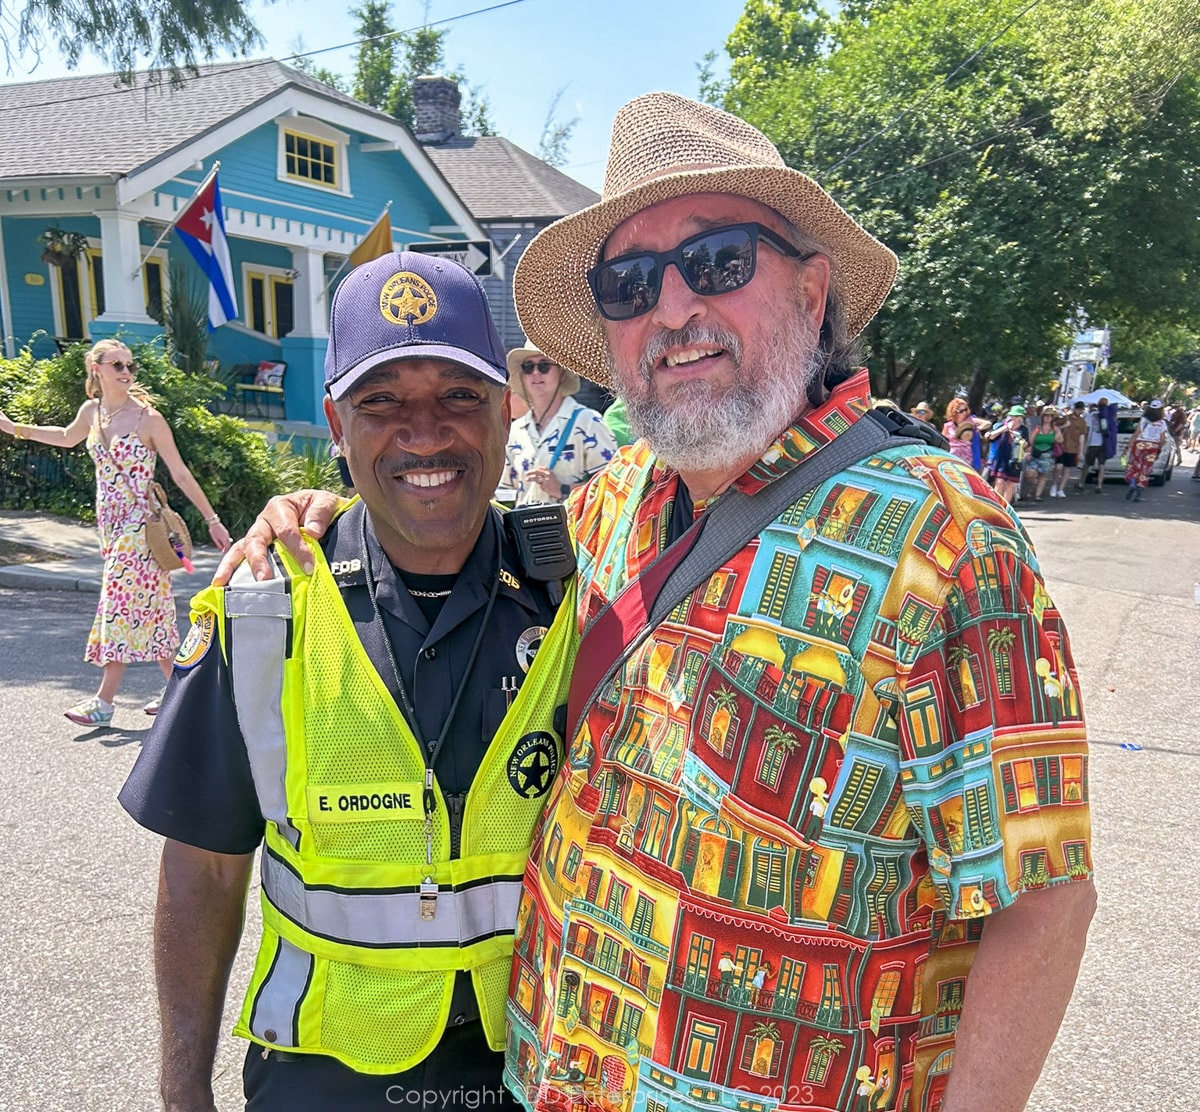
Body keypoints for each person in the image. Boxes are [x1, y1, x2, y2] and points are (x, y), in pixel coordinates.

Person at [226, 93, 1095, 1112]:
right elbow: (444, 518)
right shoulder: (612, 504)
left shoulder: (947, 536)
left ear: (813, 290)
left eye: (718, 259)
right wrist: (321, 517)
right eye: (630, 282)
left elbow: (1040, 896)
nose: (673, 308)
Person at [119, 253, 578, 1111]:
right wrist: (183, 1094)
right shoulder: (263, 608)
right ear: (335, 423)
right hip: (325, 1078)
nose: (426, 432)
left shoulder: (577, 593)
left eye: (458, 397)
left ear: (506, 413)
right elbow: (203, 870)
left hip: (537, 1069)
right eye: (381, 403)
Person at [0, 339, 231, 725]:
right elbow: (65, 437)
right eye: (117, 365)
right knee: (154, 613)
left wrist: (212, 520)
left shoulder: (149, 420)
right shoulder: (93, 412)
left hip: (141, 531)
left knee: (116, 608)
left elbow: (180, 473)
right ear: (97, 369)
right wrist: (14, 428)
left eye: (130, 366)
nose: (126, 372)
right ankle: (183, 693)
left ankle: (104, 702)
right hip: (110, 530)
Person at [503, 340, 616, 505]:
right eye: (528, 367)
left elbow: (613, 488)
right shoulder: (515, 431)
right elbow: (504, 494)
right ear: (522, 377)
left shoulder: (588, 422)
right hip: (522, 529)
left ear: (562, 373)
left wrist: (562, 489)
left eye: (544, 366)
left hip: (571, 530)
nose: (536, 373)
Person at [1123, 398, 1168, 501]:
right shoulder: (1162, 423)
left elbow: (1136, 434)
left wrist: (1127, 446)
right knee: (1146, 468)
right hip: (1153, 446)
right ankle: (1140, 487)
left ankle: (1133, 483)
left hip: (1140, 444)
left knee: (1134, 465)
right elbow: (1162, 439)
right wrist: (1159, 449)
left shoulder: (1143, 420)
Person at [984, 404, 1028, 504]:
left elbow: (1026, 445)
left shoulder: (1023, 430)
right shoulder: (1001, 425)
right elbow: (991, 437)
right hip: (1001, 457)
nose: (1015, 418)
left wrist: (1020, 440)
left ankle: (1006, 507)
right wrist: (1005, 428)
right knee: (999, 481)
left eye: (1018, 416)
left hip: (1015, 458)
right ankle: (996, 504)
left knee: (1010, 483)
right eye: (1014, 416)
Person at [1024, 408, 1063, 502]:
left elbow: (1061, 440)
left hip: (1048, 454)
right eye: (1045, 416)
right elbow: (1031, 440)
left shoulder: (1055, 429)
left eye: (1049, 416)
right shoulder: (1037, 428)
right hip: (1036, 453)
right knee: (1031, 474)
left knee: (1043, 475)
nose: (1047, 418)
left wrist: (1055, 436)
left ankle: (1038, 495)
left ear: (1052, 418)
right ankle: (1030, 489)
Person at [1081, 397, 1118, 491]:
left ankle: (1081, 483)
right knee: (1102, 465)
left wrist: (1084, 443)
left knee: (1087, 464)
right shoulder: (1109, 415)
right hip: (1104, 443)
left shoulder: (1092, 415)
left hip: (1093, 442)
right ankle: (1099, 485)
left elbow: (1087, 429)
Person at [1052, 400, 1088, 497]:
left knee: (1067, 469)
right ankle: (1054, 484)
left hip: (1073, 448)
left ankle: (1061, 489)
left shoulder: (1082, 422)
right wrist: (1065, 425)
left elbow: (1082, 436)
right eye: (1078, 409)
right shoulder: (1066, 418)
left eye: (1081, 410)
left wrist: (1080, 451)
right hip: (1062, 446)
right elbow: (1055, 427)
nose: (1080, 411)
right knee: (1058, 467)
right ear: (1075, 409)